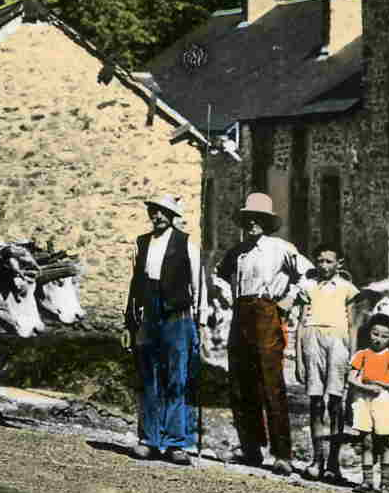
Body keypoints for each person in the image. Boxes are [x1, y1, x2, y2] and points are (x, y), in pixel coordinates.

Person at [216, 192, 310, 475]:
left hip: (267, 312)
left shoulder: (280, 248)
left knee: (271, 381)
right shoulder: (239, 251)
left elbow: (308, 274)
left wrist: (290, 298)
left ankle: (282, 454)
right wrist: (224, 296)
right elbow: (219, 277)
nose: (252, 223)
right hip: (241, 314)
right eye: (248, 219)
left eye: (258, 219)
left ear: (267, 222)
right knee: (241, 382)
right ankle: (251, 448)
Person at [125, 193, 200, 465]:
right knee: (149, 377)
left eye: (162, 212)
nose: (156, 216)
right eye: (153, 211)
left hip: (177, 315)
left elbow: (197, 284)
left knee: (176, 378)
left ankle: (175, 443)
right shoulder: (142, 243)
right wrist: (129, 322)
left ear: (172, 216)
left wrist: (196, 322)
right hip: (149, 314)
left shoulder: (185, 243)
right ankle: (149, 439)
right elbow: (135, 284)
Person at [293, 243, 360, 482]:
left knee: (335, 403)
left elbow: (352, 326)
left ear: (339, 264)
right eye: (320, 261)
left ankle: (334, 463)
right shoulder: (308, 286)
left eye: (329, 261)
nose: (323, 266)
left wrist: (354, 358)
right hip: (312, 340)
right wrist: (299, 359)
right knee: (315, 402)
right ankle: (316, 459)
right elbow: (300, 324)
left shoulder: (346, 288)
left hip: (338, 344)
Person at [348, 313, 389, 493]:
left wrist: (380, 384)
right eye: (375, 334)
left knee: (383, 442)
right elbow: (351, 379)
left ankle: (386, 483)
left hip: (383, 400)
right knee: (365, 440)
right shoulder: (361, 355)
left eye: (384, 336)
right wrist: (365, 387)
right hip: (363, 400)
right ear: (369, 333)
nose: (378, 339)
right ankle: (367, 481)